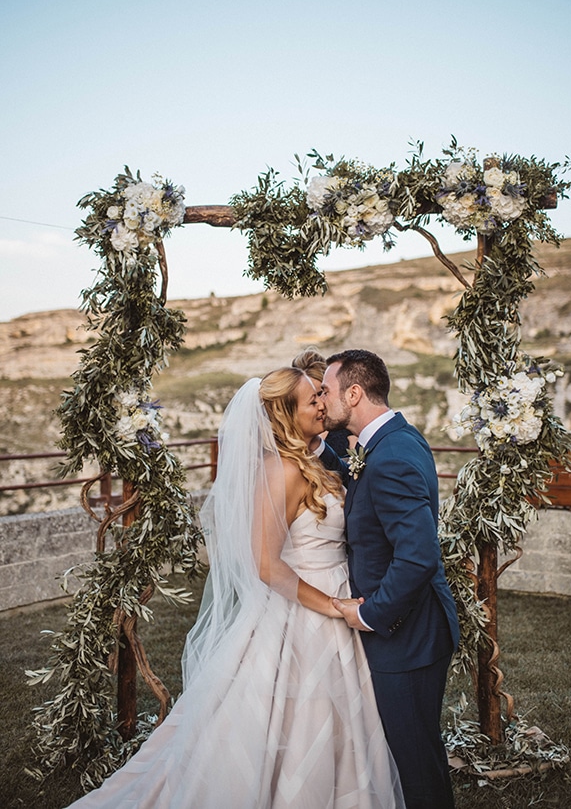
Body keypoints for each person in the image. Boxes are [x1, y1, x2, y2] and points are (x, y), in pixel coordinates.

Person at [66, 367, 404, 809]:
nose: (322, 403)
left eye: (321, 394)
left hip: (333, 596)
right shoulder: (282, 471)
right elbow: (267, 564)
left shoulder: (315, 459)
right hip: (306, 606)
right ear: (285, 417)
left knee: (339, 719)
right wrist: (332, 604)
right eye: (311, 400)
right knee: (295, 717)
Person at [318, 349, 460, 809]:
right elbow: (368, 490)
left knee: (414, 760)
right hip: (411, 632)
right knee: (416, 752)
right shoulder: (390, 440)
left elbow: (417, 557)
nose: (322, 400)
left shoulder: (391, 455)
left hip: (407, 636)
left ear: (354, 393)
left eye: (327, 390)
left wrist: (371, 614)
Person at [291, 347, 356, 457]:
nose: (319, 403)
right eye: (310, 399)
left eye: (321, 393)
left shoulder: (346, 427)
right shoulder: (289, 435)